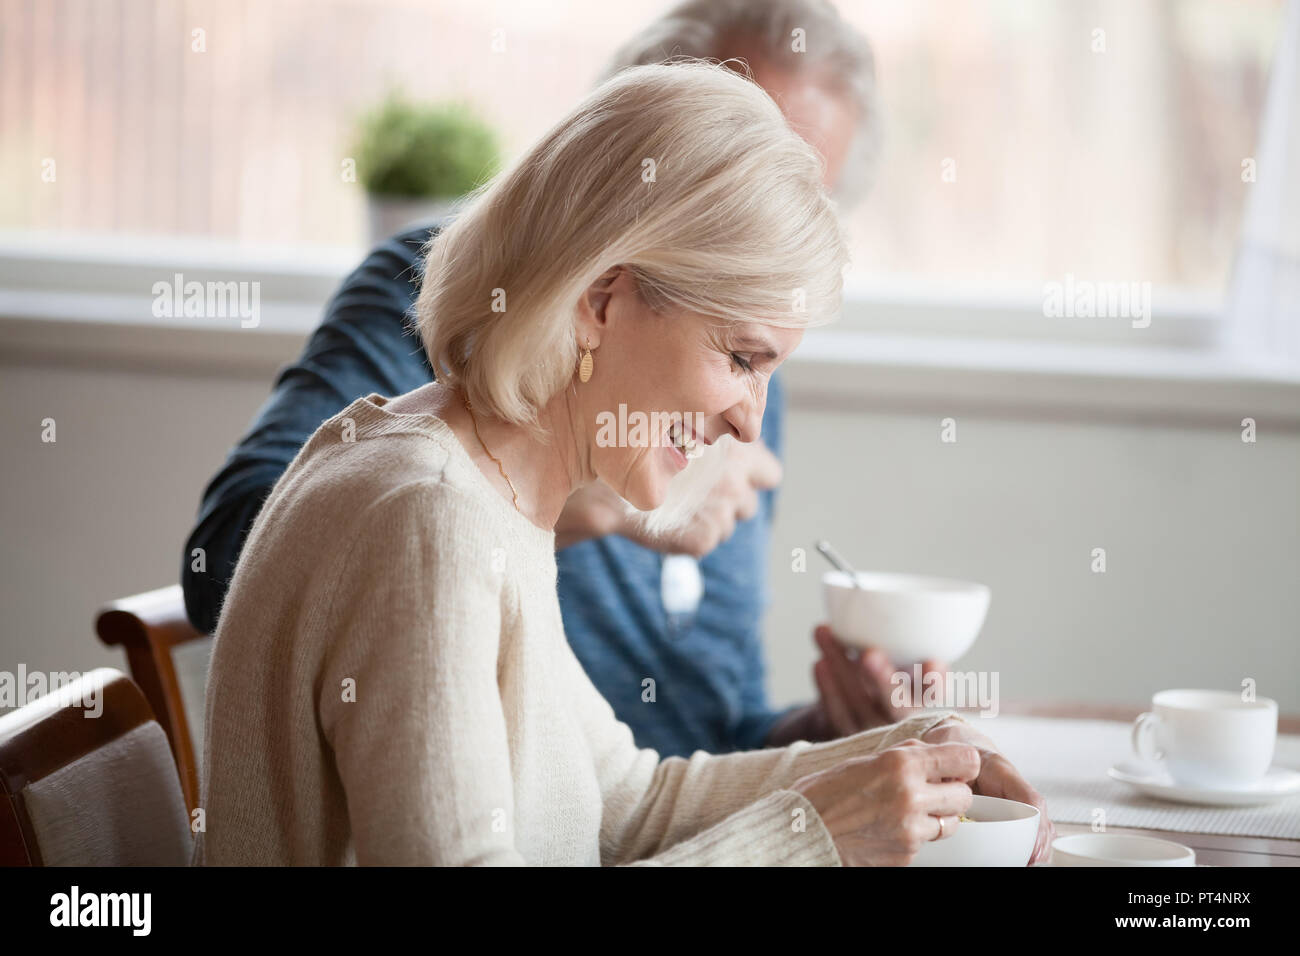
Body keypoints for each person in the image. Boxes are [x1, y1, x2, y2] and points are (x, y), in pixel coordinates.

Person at [193, 62, 1049, 866]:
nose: (749, 424)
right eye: (741, 358)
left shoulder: (485, 484)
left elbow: (623, 800)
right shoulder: (431, 520)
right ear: (603, 299)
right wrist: (810, 841)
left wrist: (907, 751)